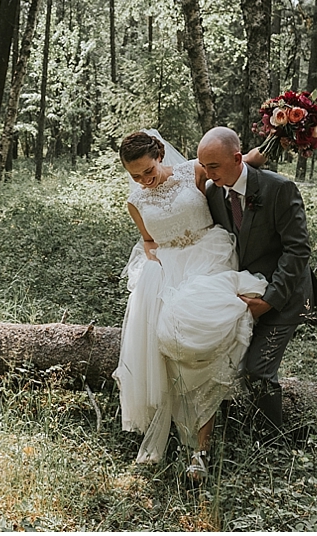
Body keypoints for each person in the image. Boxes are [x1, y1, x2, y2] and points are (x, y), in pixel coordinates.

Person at [112, 129, 267, 478]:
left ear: (161, 157)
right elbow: (149, 242)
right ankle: (177, 433)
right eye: (135, 176)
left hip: (208, 257)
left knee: (203, 337)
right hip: (167, 268)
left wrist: (278, 135)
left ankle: (201, 448)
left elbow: (245, 162)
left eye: (148, 171)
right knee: (167, 346)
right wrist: (160, 269)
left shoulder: (194, 171)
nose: (144, 181)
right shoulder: (136, 200)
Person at [198, 126, 316, 441]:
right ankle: (227, 431)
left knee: (257, 370)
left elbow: (298, 250)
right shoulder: (213, 191)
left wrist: (269, 301)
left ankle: (273, 444)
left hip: (285, 297)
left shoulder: (278, 188)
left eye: (214, 167)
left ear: (238, 158)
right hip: (242, 296)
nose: (208, 174)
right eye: (204, 167)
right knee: (219, 357)